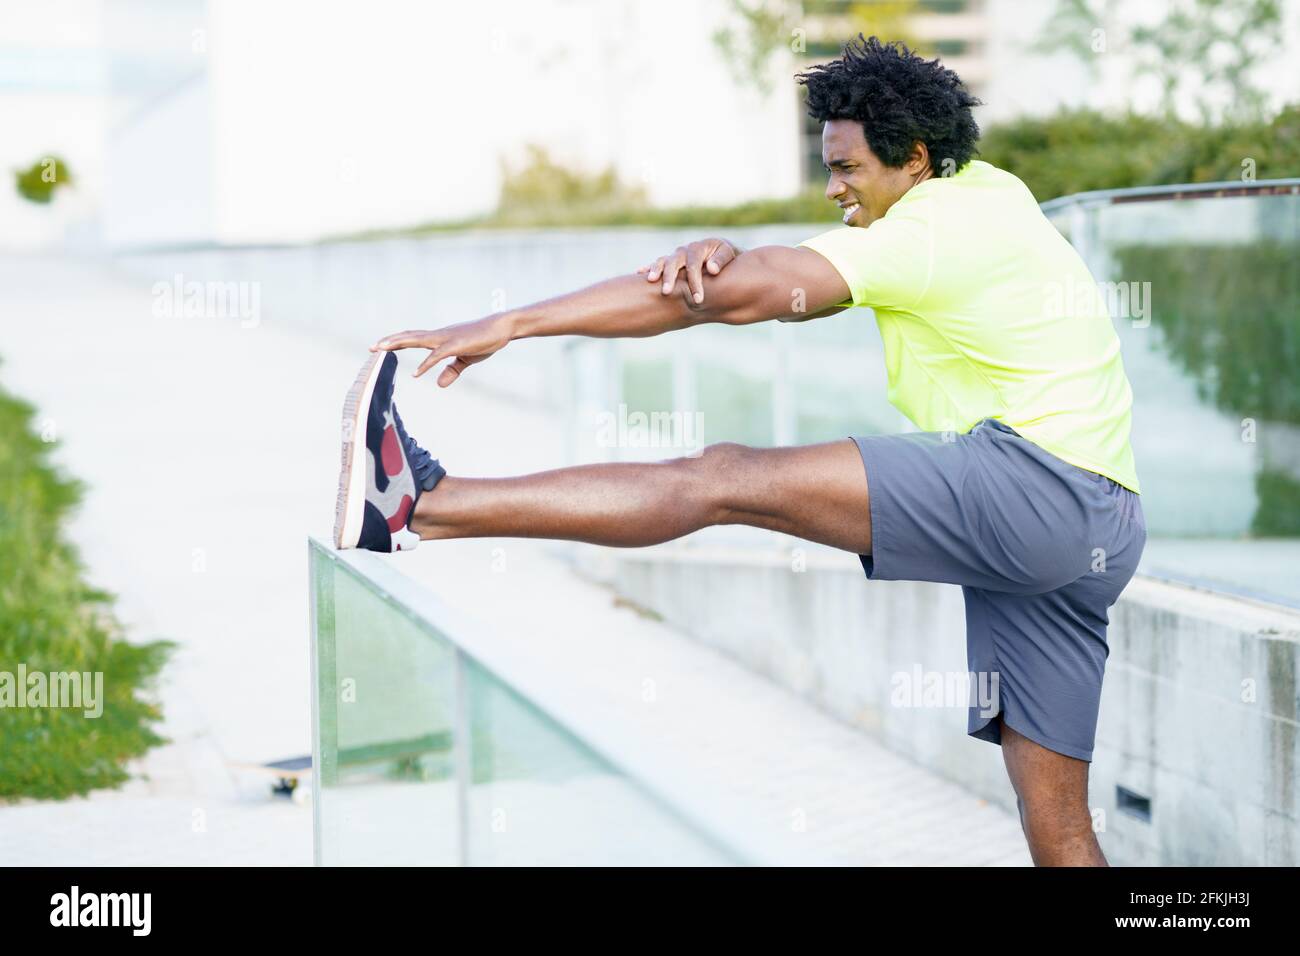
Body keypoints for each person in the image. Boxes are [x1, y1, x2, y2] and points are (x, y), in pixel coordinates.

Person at [334, 35, 1146, 866]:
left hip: (1041, 487)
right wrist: (735, 257)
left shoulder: (934, 226)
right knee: (1060, 828)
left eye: (848, 169)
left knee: (724, 479)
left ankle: (422, 504)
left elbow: (737, 297)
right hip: (1099, 528)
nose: (833, 189)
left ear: (913, 159)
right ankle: (420, 509)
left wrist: (512, 321)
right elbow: (778, 271)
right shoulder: (985, 195)